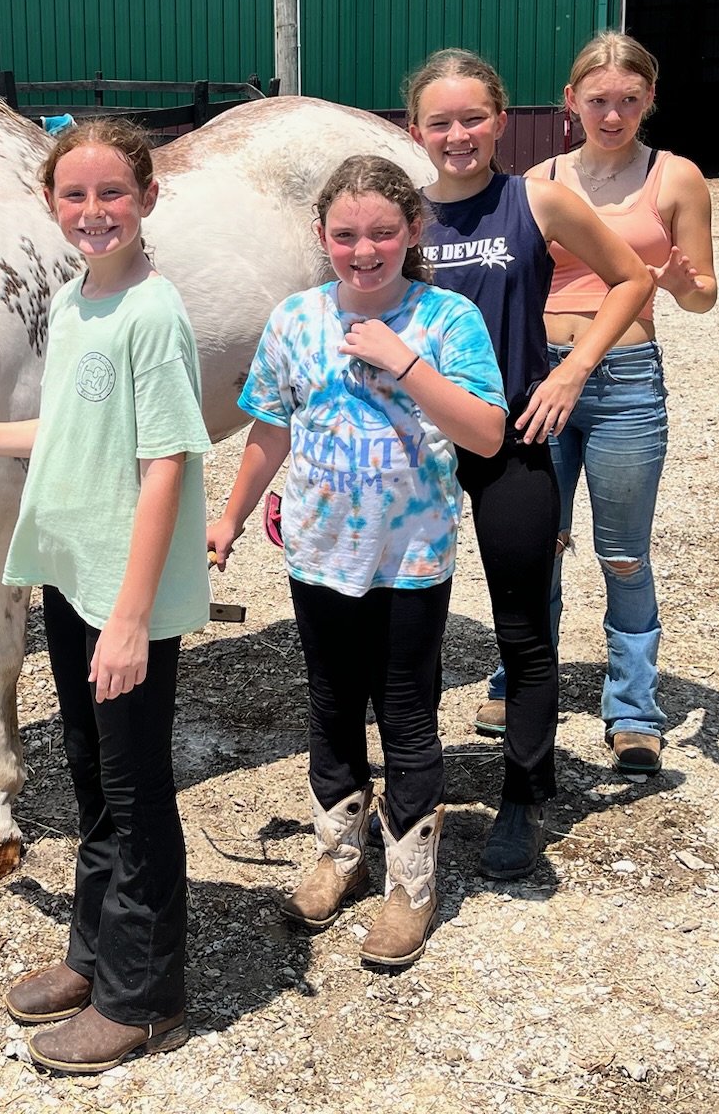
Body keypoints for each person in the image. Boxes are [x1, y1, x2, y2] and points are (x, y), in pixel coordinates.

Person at [0, 118, 209, 1073]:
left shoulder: (155, 315)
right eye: (74, 196)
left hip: (126, 595)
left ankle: (146, 995)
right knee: (88, 775)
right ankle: (95, 952)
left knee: (135, 788)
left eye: (112, 193)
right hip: (76, 577)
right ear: (51, 207)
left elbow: (165, 460)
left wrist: (130, 617)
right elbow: (68, 432)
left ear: (148, 199)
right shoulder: (78, 302)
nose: (93, 211)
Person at [208, 156, 507, 966]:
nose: (364, 250)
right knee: (331, 705)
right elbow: (270, 428)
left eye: (382, 232)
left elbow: (485, 432)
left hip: (410, 559)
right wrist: (230, 516)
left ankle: (410, 882)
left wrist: (404, 362)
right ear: (321, 238)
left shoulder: (446, 319)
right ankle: (340, 852)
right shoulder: (295, 320)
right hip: (318, 552)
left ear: (413, 231)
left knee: (406, 715)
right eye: (346, 235)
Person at [407, 51, 654, 879]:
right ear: (416, 130)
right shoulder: (404, 219)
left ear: (501, 121)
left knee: (523, 625)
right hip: (420, 451)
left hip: (513, 440)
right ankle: (412, 789)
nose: (457, 135)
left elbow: (631, 278)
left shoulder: (537, 201)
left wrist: (572, 367)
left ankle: (523, 796)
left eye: (472, 117)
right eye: (439, 121)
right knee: (409, 629)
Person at [517, 31, 719, 776]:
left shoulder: (676, 179)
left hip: (626, 380)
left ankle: (633, 709)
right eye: (598, 100)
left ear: (649, 102)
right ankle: (518, 682)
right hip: (542, 374)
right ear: (570, 101)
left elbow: (703, 296)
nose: (612, 115)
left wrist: (672, 279)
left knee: (624, 552)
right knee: (535, 542)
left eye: (628, 101)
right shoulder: (539, 178)